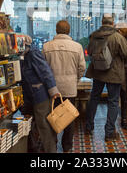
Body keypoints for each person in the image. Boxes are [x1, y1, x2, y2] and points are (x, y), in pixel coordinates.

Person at [85, 14, 127, 141]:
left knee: (94, 98)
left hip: (97, 72)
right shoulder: (117, 37)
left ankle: (88, 127)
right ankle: (109, 132)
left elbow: (88, 51)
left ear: (102, 22)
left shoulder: (94, 35)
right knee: (113, 102)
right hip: (114, 73)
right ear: (112, 24)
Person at [42, 20, 86, 153]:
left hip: (51, 89)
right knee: (69, 117)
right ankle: (67, 146)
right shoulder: (77, 47)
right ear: (69, 30)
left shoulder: (46, 46)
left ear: (56, 30)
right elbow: (82, 67)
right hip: (69, 88)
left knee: (52, 116)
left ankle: (53, 144)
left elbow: (43, 69)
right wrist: (75, 79)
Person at [20, 34, 60, 153]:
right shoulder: (23, 56)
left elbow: (45, 71)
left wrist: (53, 90)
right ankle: (33, 148)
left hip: (39, 95)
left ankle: (50, 151)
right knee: (30, 123)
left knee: (44, 125)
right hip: (28, 96)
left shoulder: (33, 53)